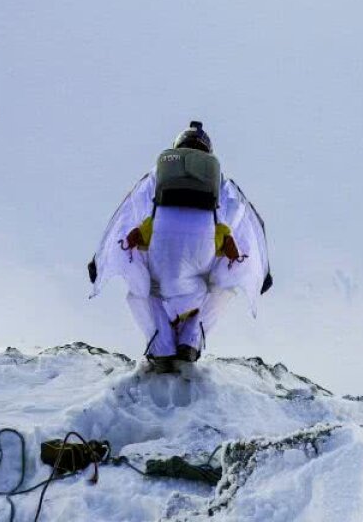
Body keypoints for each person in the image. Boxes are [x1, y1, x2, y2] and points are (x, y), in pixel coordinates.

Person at [88, 121, 272, 372]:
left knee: (145, 294)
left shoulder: (157, 176)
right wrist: (262, 270)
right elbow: (243, 218)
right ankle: (190, 342)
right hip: (204, 249)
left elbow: (129, 211)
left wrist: (101, 258)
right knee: (219, 289)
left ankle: (161, 348)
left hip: (161, 245)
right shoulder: (221, 183)